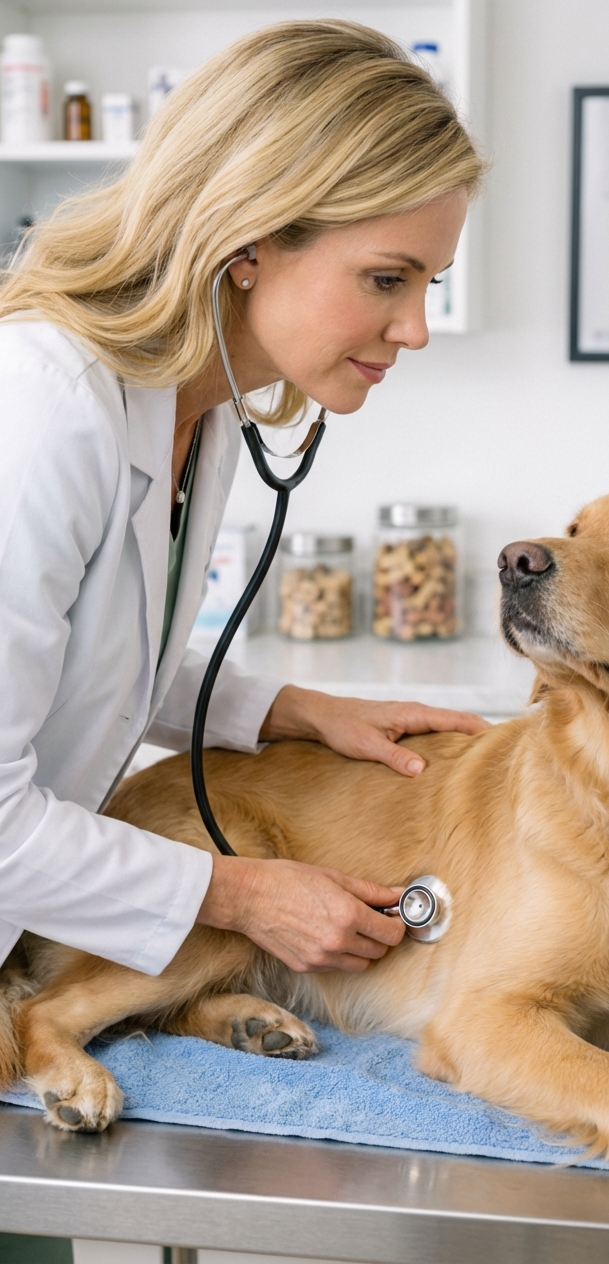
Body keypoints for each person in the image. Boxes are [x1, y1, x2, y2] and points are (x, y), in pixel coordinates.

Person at [0, 19, 487, 984]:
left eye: (430, 282)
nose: (417, 327)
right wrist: (243, 893)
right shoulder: (43, 409)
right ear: (250, 239)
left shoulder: (204, 412)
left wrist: (295, 711)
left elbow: (88, 652)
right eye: (387, 279)